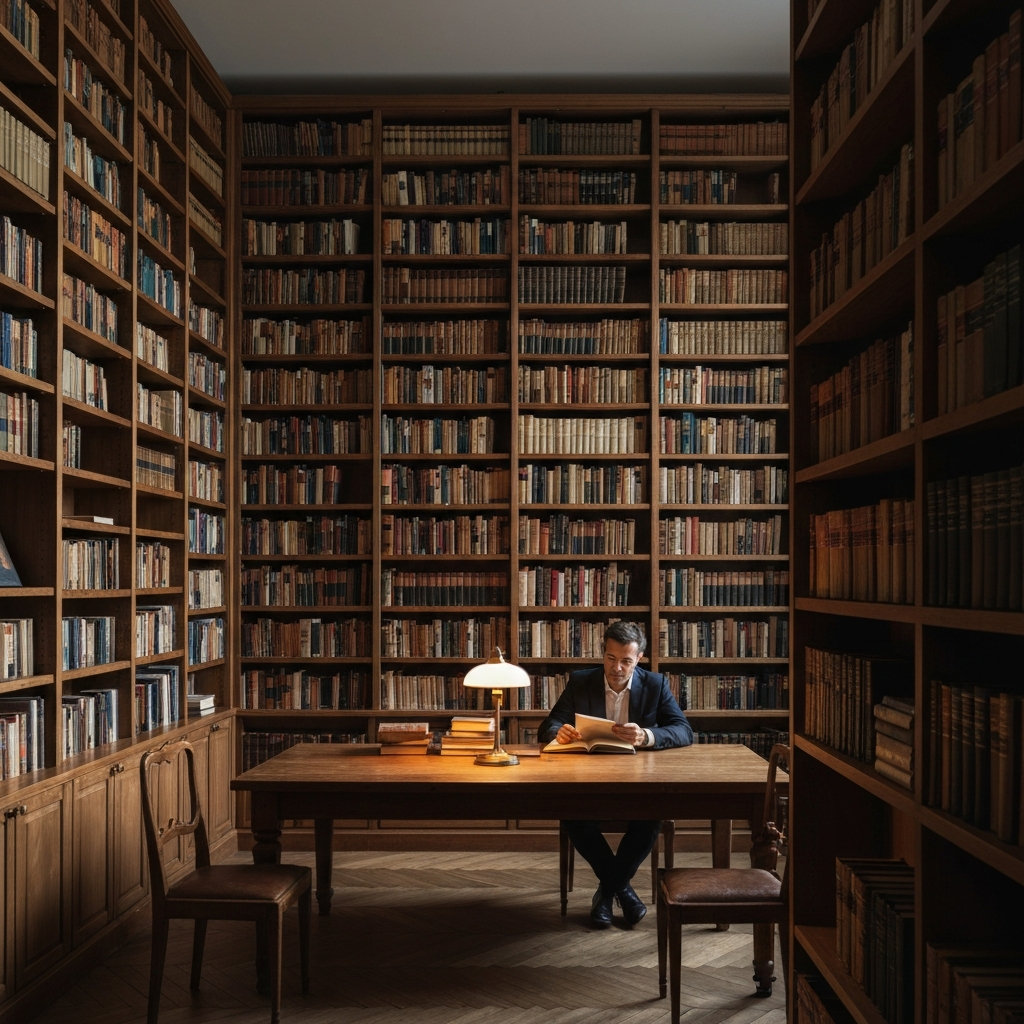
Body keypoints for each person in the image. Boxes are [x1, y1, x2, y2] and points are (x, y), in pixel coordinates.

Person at [537, 621, 692, 929]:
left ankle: (609, 892)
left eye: (626, 661)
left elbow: (683, 730)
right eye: (610, 658)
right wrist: (561, 731)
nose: (617, 667)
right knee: (572, 816)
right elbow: (548, 725)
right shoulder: (581, 681)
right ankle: (621, 891)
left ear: (640, 658)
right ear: (603, 653)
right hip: (588, 778)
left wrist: (646, 736)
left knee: (650, 820)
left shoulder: (655, 684)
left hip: (638, 781)